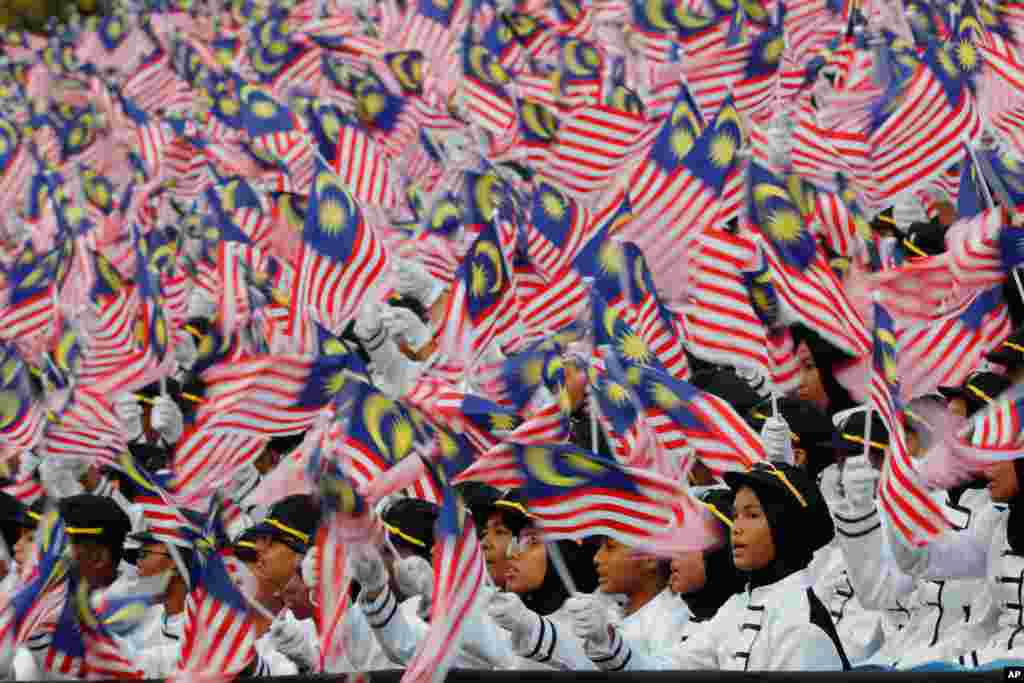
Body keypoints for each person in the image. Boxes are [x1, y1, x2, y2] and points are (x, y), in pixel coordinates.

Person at [585, 462, 849, 671]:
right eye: (735, 515)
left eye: (752, 515)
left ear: (784, 527)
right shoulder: (736, 607)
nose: (737, 527)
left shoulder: (802, 622)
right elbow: (667, 668)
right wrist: (607, 644)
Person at [485, 491, 603, 670]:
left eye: (531, 541)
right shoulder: (509, 618)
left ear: (566, 553)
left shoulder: (599, 625)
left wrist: (528, 624)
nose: (512, 553)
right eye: (516, 540)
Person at [563, 529, 692, 667]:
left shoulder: (675, 621)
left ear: (650, 558)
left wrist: (606, 641)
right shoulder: (602, 607)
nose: (597, 558)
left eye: (610, 547)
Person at [243, 494, 324, 676]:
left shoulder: (354, 615)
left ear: (304, 549)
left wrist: (312, 664)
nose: (260, 551)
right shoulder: (284, 625)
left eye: (270, 543)